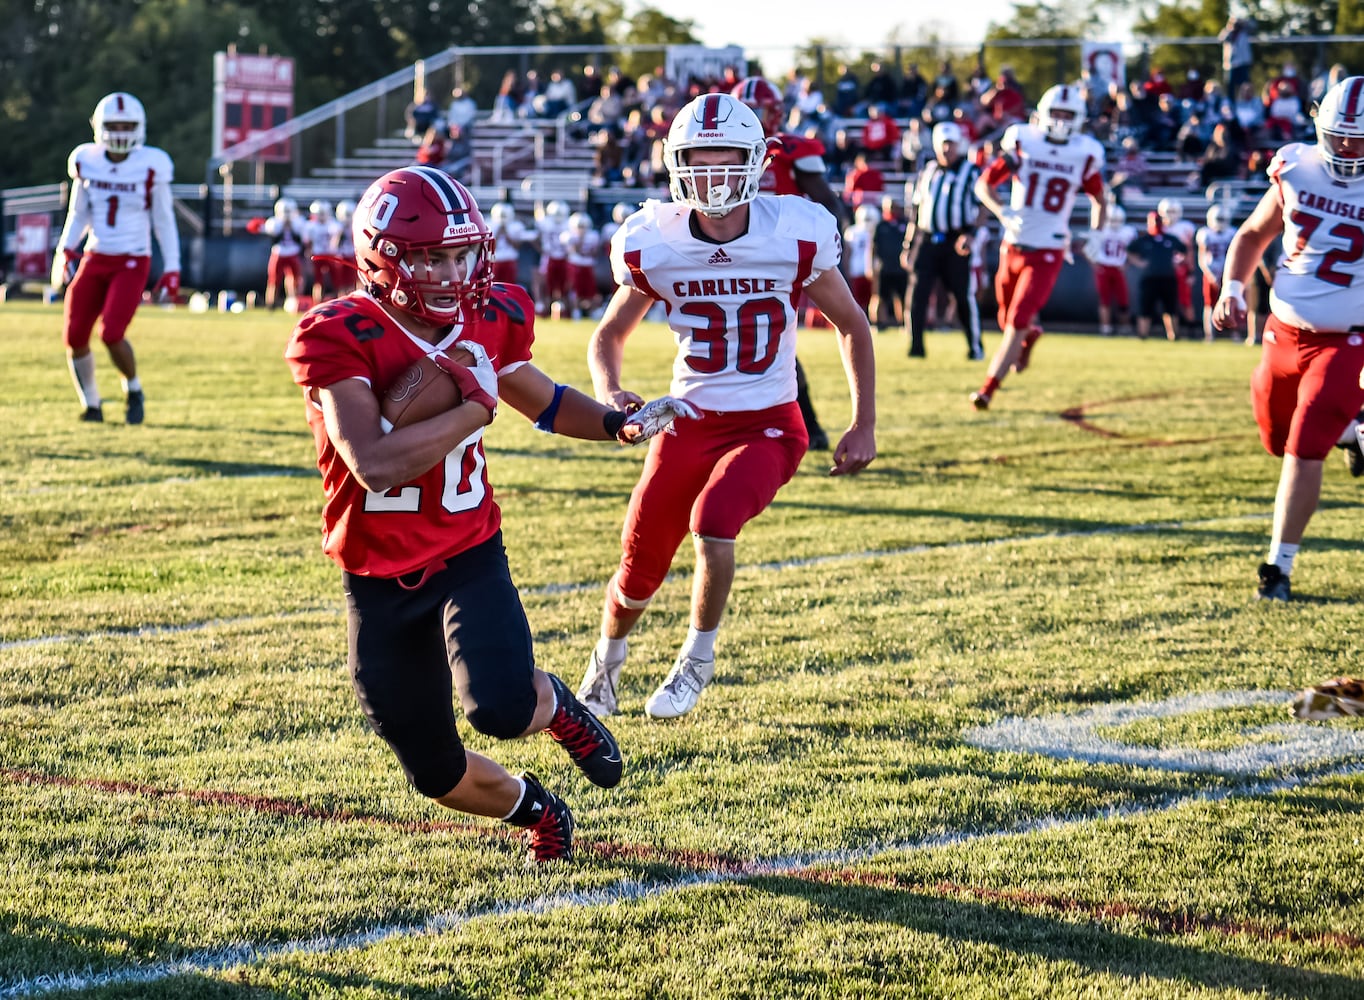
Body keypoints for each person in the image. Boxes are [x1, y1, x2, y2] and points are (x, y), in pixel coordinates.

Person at [283, 165, 697, 862]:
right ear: (382, 256)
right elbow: (375, 463)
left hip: (465, 550)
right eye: (430, 257)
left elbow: (543, 398)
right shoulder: (339, 331)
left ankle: (557, 706)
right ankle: (540, 809)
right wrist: (475, 407)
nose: (451, 273)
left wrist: (613, 425)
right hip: (376, 573)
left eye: (459, 254)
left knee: (500, 706)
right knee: (432, 770)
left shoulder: (488, 315)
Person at [574, 93, 876, 720]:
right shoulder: (650, 241)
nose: (712, 175)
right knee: (638, 562)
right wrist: (612, 393)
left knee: (714, 521)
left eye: (725, 159)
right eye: (699, 160)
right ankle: (606, 662)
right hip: (686, 421)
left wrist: (862, 422)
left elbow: (851, 324)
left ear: (756, 162)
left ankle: (696, 660)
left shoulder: (794, 233)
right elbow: (607, 335)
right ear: (676, 163)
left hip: (769, 423)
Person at [1211, 76, 1364, 601]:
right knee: (1276, 439)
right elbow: (1254, 234)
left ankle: (1278, 568)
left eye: (1359, 137)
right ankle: (1352, 434)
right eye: (1340, 134)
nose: (1347, 147)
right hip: (1281, 331)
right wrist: (1232, 287)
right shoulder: (1296, 165)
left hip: (1348, 340)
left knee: (1302, 447)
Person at [970, 84, 1107, 409]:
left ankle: (988, 389)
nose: (1060, 120)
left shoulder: (1084, 152)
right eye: (1055, 113)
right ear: (1043, 115)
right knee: (1007, 320)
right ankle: (1030, 336)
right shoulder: (1023, 143)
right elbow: (984, 184)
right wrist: (1002, 212)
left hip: (1049, 248)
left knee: (1016, 320)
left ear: (1079, 118)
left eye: (1067, 115)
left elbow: (1100, 199)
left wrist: (1096, 235)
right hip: (1013, 244)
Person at [732, 76, 848, 450]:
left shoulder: (790, 148)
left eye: (758, 109)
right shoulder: (727, 147)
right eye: (746, 108)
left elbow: (829, 204)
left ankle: (806, 428)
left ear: (775, 112)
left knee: (775, 346)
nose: (751, 115)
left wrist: (816, 251)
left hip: (775, 258)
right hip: (731, 253)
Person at [51, 92, 179, 425]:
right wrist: (65, 248)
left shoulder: (151, 164)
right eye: (114, 124)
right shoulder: (86, 159)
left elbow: (164, 220)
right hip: (95, 255)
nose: (120, 130)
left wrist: (173, 267)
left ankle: (133, 389)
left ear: (140, 128)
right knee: (74, 335)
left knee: (111, 333)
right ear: (99, 126)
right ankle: (92, 405)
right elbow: (77, 213)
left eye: (127, 125)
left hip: (133, 260)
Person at [903, 121, 987, 360]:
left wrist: (970, 235)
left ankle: (974, 346)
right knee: (918, 293)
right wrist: (908, 245)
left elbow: (983, 207)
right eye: (943, 145)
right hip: (927, 239)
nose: (947, 149)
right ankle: (916, 346)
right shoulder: (928, 171)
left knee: (962, 296)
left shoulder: (971, 171)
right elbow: (916, 211)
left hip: (956, 239)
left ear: (959, 146)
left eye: (951, 144)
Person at [1126, 211, 1184, 341]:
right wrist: (1139, 262)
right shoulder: (1144, 240)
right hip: (1149, 279)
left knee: (1170, 308)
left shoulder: (1170, 239)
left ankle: (1173, 335)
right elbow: (1129, 251)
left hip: (1168, 278)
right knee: (1145, 308)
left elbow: (1184, 250)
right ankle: (1142, 335)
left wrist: (1177, 261)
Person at [1083, 204, 1135, 336]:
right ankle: (1105, 328)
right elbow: (1086, 250)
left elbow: (1132, 252)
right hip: (1104, 267)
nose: (1115, 223)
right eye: (1112, 220)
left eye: (1117, 220)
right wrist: (1095, 265)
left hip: (1118, 268)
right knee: (1104, 300)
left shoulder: (1128, 232)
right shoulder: (1102, 231)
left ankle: (1124, 327)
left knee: (1123, 299)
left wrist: (1127, 264)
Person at [1195, 204, 1235, 341]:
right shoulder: (1205, 233)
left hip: (1228, 273)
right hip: (1211, 272)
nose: (1220, 221)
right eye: (1218, 218)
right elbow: (1202, 257)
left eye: (1223, 218)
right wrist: (1210, 275)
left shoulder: (1232, 232)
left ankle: (1233, 334)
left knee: (1231, 304)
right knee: (1209, 304)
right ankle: (1209, 335)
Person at [487, 201, 528, 288]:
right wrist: (498, 234)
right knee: (494, 287)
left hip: (510, 260)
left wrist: (507, 235)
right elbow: (491, 248)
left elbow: (517, 247)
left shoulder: (515, 226)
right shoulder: (490, 226)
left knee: (509, 286)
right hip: (496, 261)